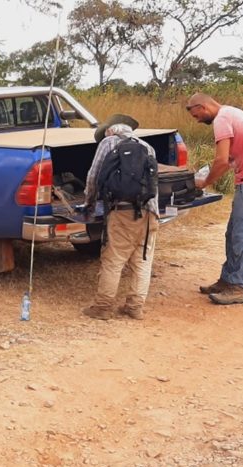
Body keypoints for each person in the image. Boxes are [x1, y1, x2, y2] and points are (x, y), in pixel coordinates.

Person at [186, 93, 243, 305]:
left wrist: (204, 182)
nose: (198, 120)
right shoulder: (233, 112)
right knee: (233, 232)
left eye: (197, 115)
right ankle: (227, 280)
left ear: (204, 106)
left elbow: (222, 160)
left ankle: (237, 287)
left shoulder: (222, 120)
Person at [81, 114, 160, 321]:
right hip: (149, 213)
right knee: (142, 260)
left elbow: (93, 177)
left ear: (109, 131)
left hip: (122, 212)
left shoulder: (108, 143)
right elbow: (154, 184)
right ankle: (135, 307)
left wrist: (89, 205)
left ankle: (102, 307)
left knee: (113, 260)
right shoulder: (147, 146)